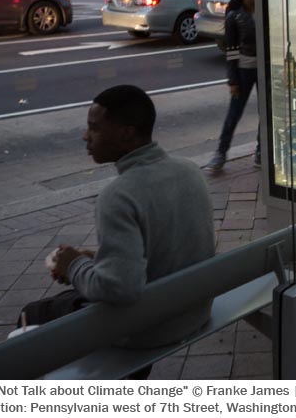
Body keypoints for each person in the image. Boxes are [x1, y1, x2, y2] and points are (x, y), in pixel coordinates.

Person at [19, 85, 214, 376]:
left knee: (32, 314)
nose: (86, 137)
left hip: (151, 329)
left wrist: (73, 265)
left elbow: (118, 289)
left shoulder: (119, 195)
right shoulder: (189, 170)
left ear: (126, 132)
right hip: (195, 311)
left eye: (94, 128)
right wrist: (96, 259)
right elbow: (163, 246)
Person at [207, 0, 260, 171]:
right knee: (234, 113)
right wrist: (233, 80)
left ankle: (261, 151)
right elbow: (231, 51)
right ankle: (221, 153)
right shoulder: (234, 17)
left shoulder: (263, 11)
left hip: (264, 70)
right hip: (243, 70)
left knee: (266, 113)